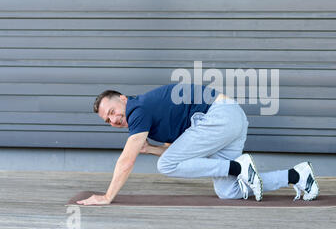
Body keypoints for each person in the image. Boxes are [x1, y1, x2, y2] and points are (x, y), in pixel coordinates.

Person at [76, 83, 319, 205]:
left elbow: (126, 161)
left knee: (166, 166)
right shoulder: (151, 117)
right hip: (229, 121)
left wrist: (108, 196)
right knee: (229, 191)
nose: (113, 119)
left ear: (122, 99)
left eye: (112, 111)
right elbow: (182, 152)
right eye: (107, 120)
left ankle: (238, 167)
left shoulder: (137, 109)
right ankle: (297, 176)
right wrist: (150, 148)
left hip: (219, 117)